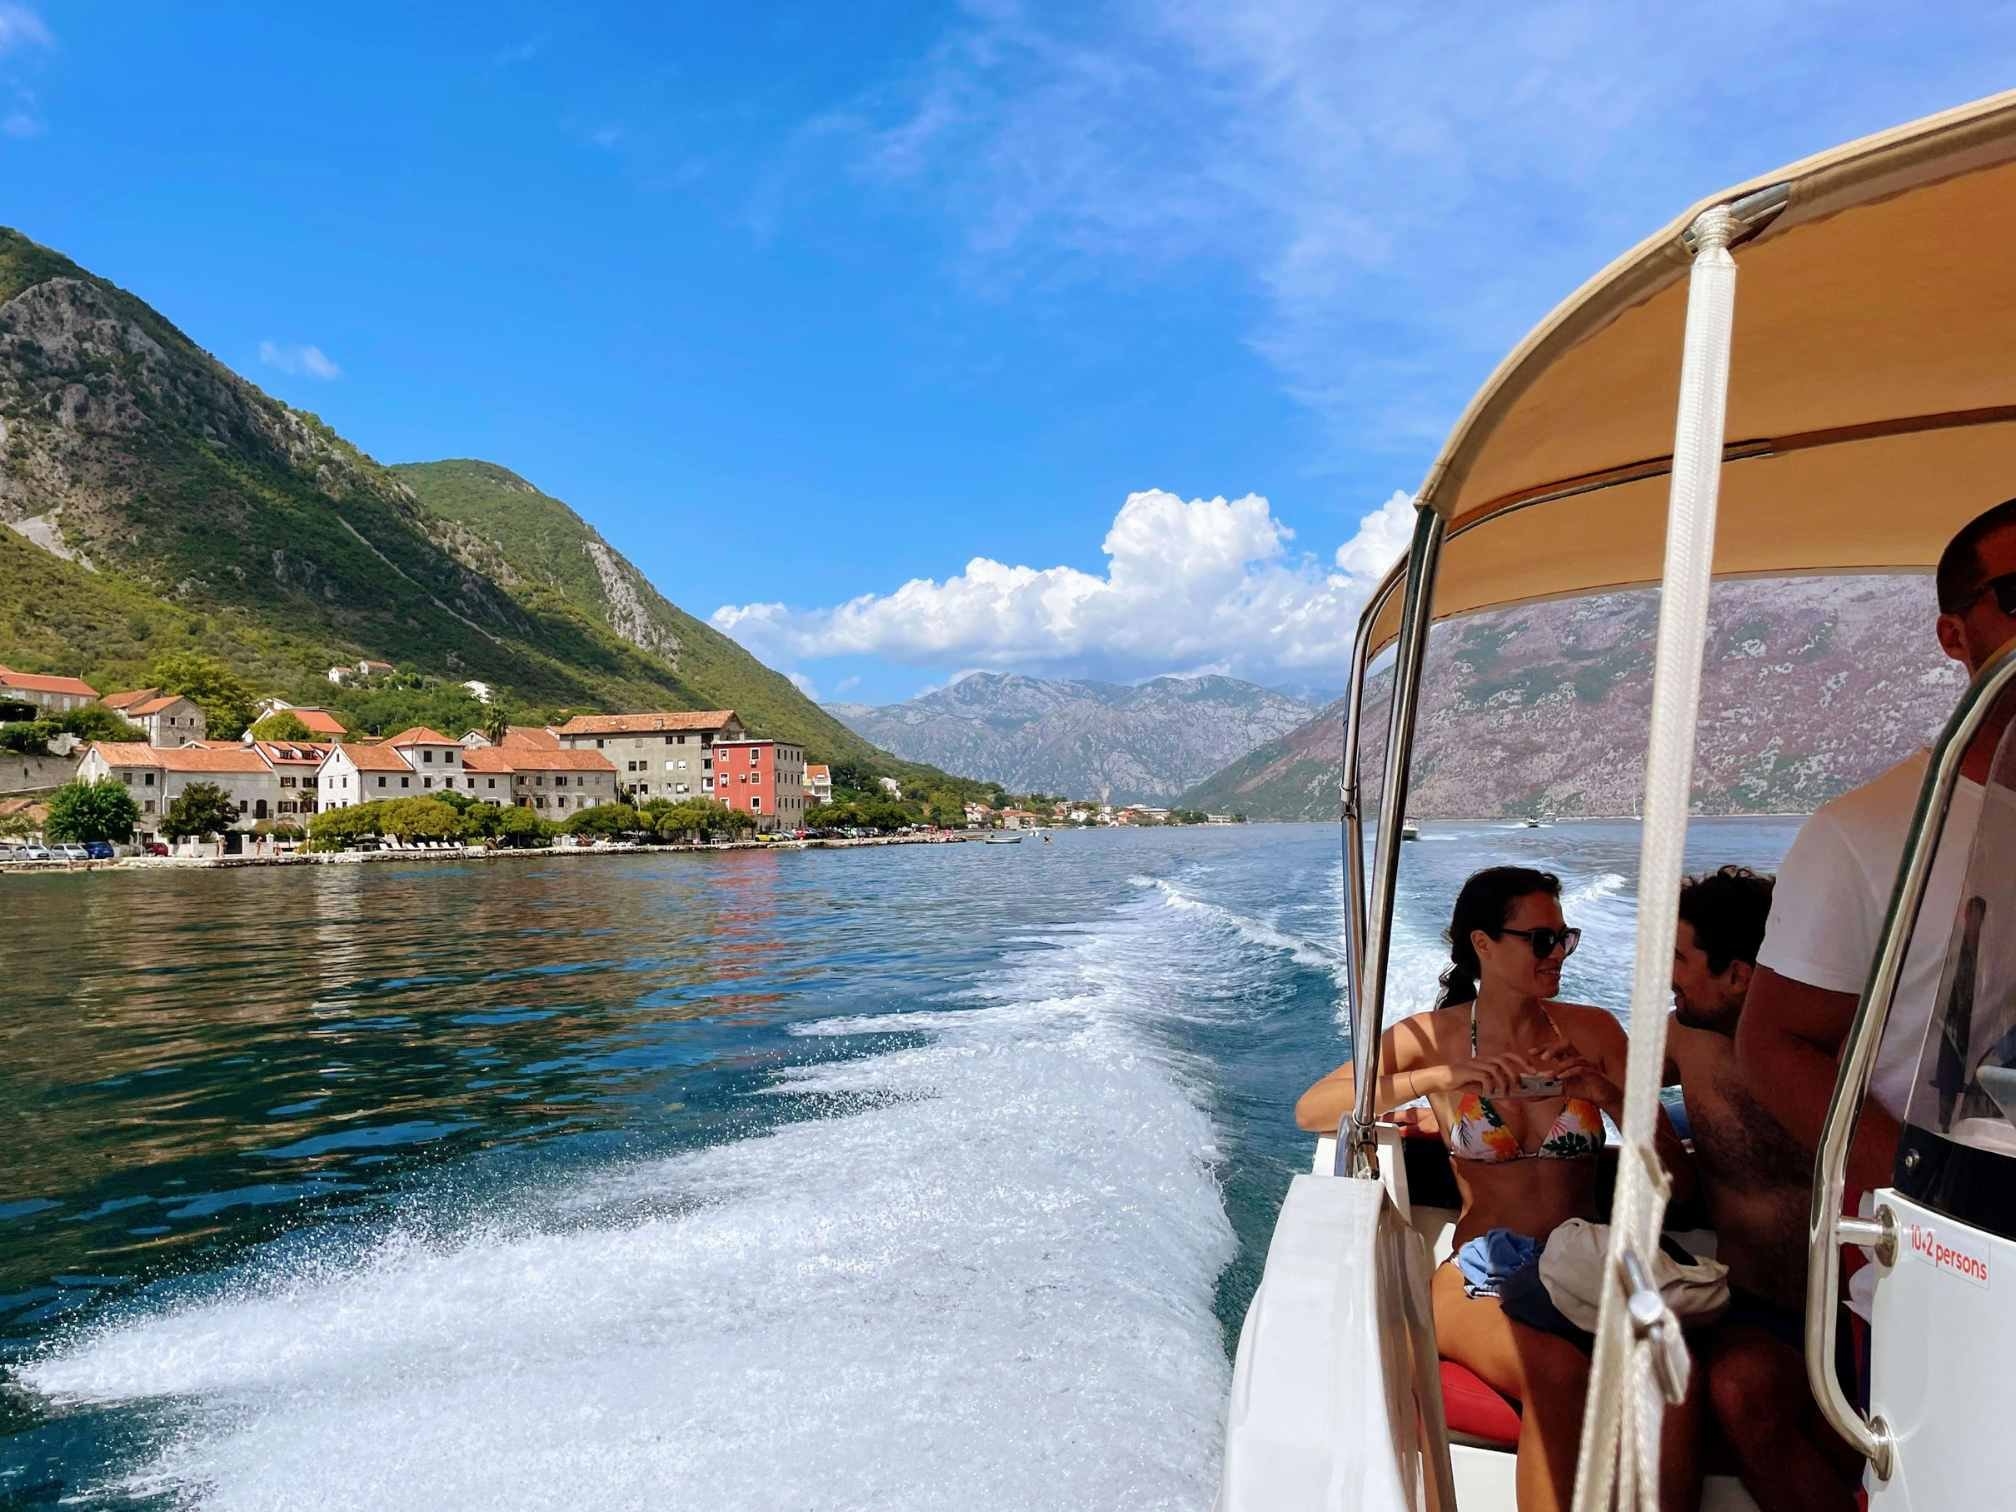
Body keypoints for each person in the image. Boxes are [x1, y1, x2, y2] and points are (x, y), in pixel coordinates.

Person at [1297, 866, 1695, 1512]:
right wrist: (1439, 1075)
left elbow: (1677, 1178)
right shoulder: (1436, 1036)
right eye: (1542, 940)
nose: (1558, 954)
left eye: (1565, 939)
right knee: (1556, 1373)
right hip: (1483, 1271)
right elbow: (1315, 1107)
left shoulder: (1592, 1033)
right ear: (1483, 945)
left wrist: (1610, 1097)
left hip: (1585, 1259)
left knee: (1673, 1376)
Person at [1737, 498, 2016, 1272]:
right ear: (1954, 636)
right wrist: (1930, 1199)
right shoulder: (1865, 833)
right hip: (1953, 1270)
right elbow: (1773, 1042)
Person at [1666, 866, 1858, 1512]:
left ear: (1738, 975)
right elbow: (1592, 1058)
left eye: (1680, 958)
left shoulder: (1839, 1050)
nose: (1669, 975)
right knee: (1739, 1390)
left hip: (1857, 1317)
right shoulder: (1681, 1040)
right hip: (1756, 1309)